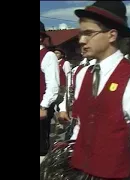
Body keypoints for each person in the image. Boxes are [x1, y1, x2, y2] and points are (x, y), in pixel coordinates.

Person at [58, 1, 130, 179]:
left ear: (112, 35)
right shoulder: (83, 75)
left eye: (89, 33)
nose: (81, 40)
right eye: (81, 34)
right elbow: (81, 126)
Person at [40, 21, 60, 163]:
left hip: (40, 107)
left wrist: (44, 106)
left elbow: (53, 85)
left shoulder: (48, 56)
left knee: (41, 148)